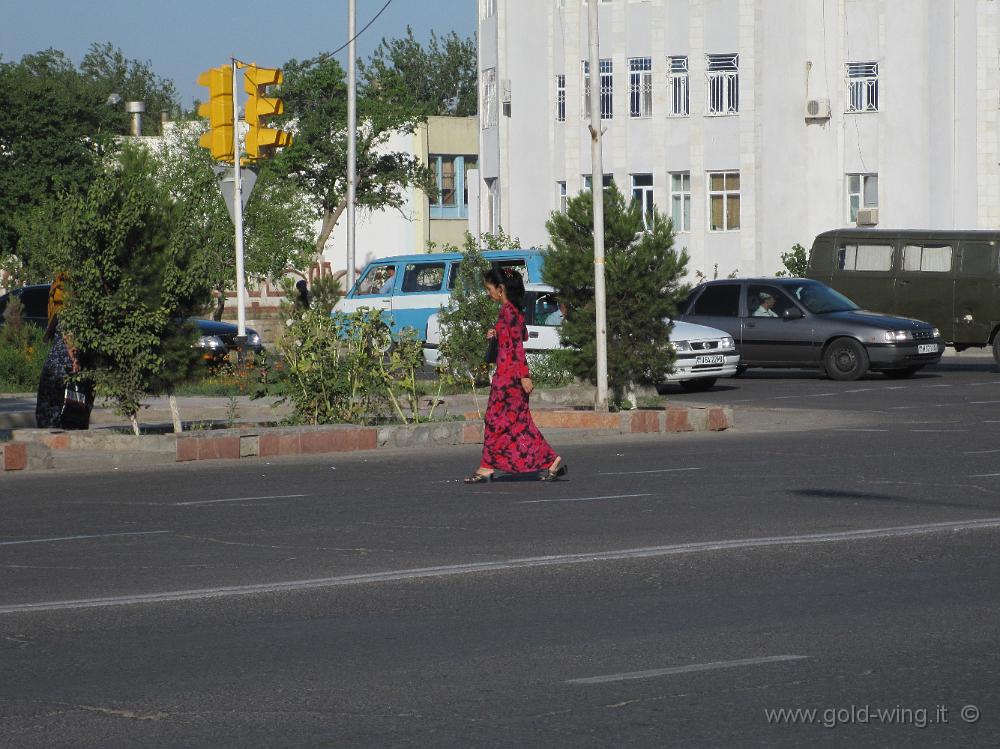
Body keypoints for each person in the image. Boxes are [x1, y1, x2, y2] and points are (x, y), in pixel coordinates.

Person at [465, 268, 568, 483]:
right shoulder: (513, 311)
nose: (488, 293)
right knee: (516, 422)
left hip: (508, 378)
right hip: (507, 375)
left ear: (500, 289)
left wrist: (524, 375)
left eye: (489, 289)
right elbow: (521, 334)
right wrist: (497, 332)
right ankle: (550, 461)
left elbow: (517, 345)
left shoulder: (508, 312)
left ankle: (487, 466)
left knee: (497, 420)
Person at [35, 273, 93, 429]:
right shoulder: (70, 307)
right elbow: (69, 335)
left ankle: (52, 432)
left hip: (59, 362)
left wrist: (74, 360)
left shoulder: (63, 307)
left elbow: (65, 333)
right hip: (66, 361)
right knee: (68, 402)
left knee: (53, 401)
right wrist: (75, 360)